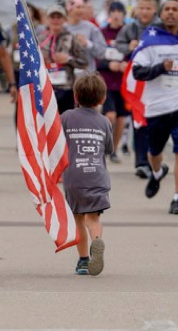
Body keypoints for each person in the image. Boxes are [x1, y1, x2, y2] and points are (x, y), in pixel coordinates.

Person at [131, 0, 178, 215]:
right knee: (154, 152)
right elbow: (138, 72)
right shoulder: (151, 39)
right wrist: (160, 67)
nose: (171, 13)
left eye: (175, 10)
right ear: (161, 14)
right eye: (167, 10)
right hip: (157, 106)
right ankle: (157, 172)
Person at [60, 74, 113, 276]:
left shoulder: (66, 117)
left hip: (74, 178)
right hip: (97, 177)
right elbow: (109, 149)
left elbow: (57, 141)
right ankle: (97, 242)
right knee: (93, 219)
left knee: (78, 220)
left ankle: (83, 261)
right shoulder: (104, 121)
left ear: (75, 96)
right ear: (103, 98)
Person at [115, 0, 160, 178]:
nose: (144, 11)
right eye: (141, 8)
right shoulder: (130, 28)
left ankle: (153, 159)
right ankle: (141, 162)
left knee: (155, 123)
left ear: (154, 10)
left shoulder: (161, 28)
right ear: (136, 9)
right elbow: (118, 45)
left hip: (157, 82)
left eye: (148, 8)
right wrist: (128, 47)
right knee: (138, 121)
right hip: (137, 83)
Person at [38, 4, 89, 113]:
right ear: (47, 19)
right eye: (52, 17)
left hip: (66, 90)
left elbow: (85, 62)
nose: (55, 20)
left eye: (59, 17)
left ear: (64, 19)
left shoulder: (71, 38)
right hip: (45, 89)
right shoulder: (39, 39)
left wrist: (69, 59)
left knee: (66, 124)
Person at [98, 1, 129, 164]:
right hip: (107, 82)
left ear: (124, 15)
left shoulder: (129, 33)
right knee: (110, 116)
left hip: (123, 83)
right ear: (109, 15)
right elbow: (96, 57)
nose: (116, 15)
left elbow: (135, 54)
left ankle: (114, 150)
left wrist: (127, 65)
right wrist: (109, 64)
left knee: (122, 120)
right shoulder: (102, 33)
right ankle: (102, 147)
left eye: (119, 12)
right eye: (113, 12)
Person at [65, 0, 107, 73]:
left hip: (87, 77)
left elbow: (102, 52)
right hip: (66, 78)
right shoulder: (62, 28)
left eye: (83, 7)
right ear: (69, 9)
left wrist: (88, 43)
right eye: (78, 7)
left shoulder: (91, 28)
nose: (81, 10)